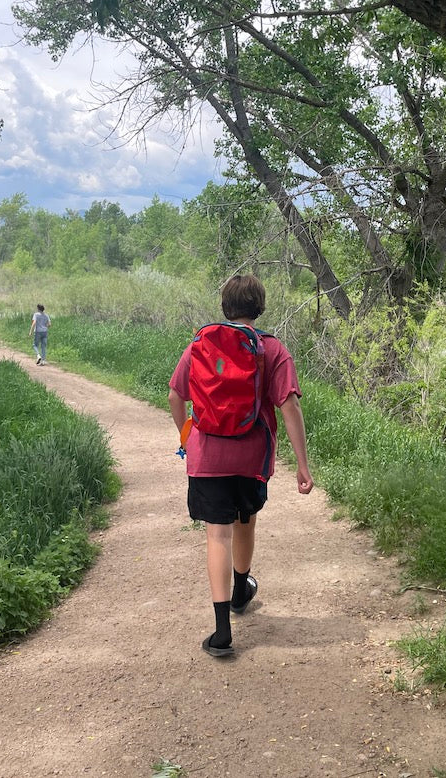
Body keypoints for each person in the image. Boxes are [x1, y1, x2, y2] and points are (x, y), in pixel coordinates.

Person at [168, 274, 314, 658]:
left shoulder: (201, 343)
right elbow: (290, 406)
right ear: (260, 307)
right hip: (251, 458)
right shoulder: (272, 348)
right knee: (246, 519)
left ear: (224, 307)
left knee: (217, 535)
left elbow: (175, 394)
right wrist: (302, 464)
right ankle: (240, 591)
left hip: (207, 456)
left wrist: (186, 437)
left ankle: (221, 634)